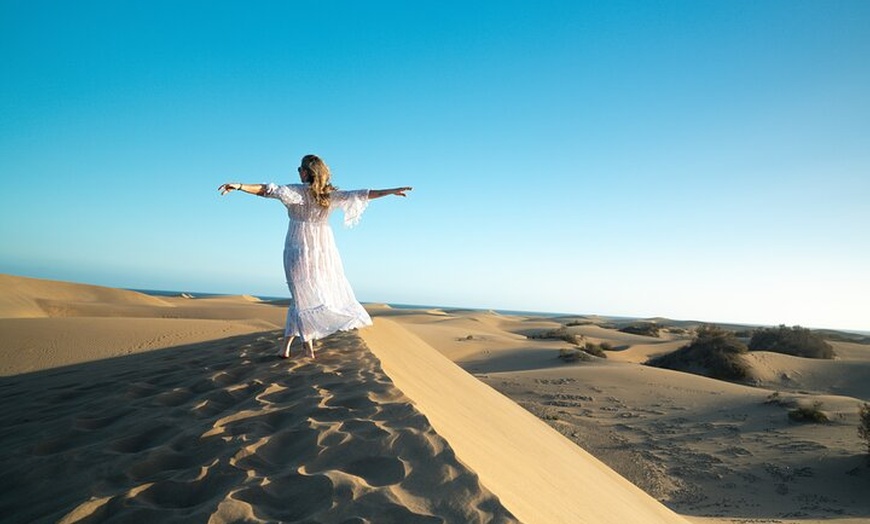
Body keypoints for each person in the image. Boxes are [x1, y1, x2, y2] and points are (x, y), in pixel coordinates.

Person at [219, 154, 411, 359]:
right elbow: (363, 194)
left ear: (306, 172)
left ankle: (305, 348)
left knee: (302, 298)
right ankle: (286, 348)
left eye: (300, 169)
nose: (298, 172)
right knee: (301, 297)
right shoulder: (328, 195)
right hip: (323, 251)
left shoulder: (298, 192)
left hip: (298, 248)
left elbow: (267, 190)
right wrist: (389, 192)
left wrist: (239, 186)